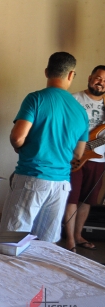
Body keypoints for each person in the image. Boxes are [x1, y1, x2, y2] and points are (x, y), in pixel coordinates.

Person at [0, 52, 88, 242]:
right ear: (71, 75)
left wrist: (20, 147)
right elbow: (79, 153)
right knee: (46, 244)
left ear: (47, 72)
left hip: (32, 177)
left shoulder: (36, 99)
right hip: (61, 185)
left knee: (12, 240)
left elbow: (17, 137)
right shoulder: (80, 111)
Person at [63, 65, 105, 252]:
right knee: (72, 198)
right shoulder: (74, 99)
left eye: (104, 80)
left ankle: (79, 235)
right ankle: (70, 239)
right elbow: (63, 127)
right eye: (98, 78)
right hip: (75, 156)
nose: (100, 82)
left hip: (99, 158)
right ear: (90, 77)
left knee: (87, 200)